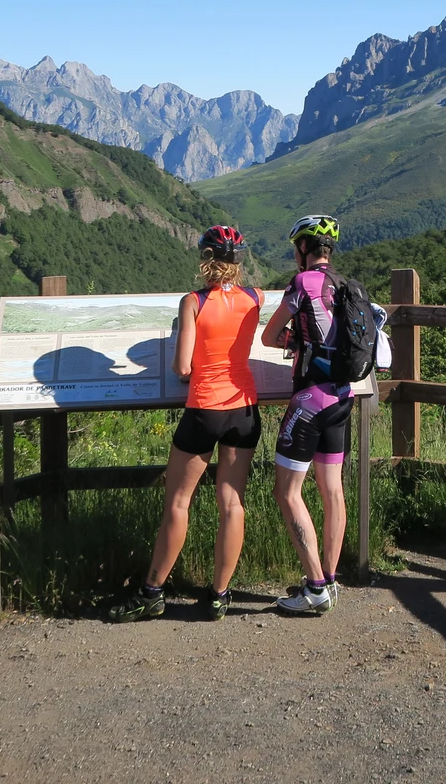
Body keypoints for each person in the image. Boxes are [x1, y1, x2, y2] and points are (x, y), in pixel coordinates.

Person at [108, 225, 262, 623]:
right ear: (238, 260)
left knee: (178, 502)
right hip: (244, 408)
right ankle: (219, 595)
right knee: (232, 503)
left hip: (204, 408)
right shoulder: (255, 298)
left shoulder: (192, 301)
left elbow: (182, 366)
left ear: (205, 259)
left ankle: (152, 593)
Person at [261, 214, 353, 614]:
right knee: (332, 490)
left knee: (287, 491)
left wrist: (291, 337)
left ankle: (314, 587)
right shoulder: (344, 285)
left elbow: (268, 335)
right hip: (342, 397)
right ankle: (329, 581)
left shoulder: (302, 284)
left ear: (303, 248)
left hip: (310, 399)